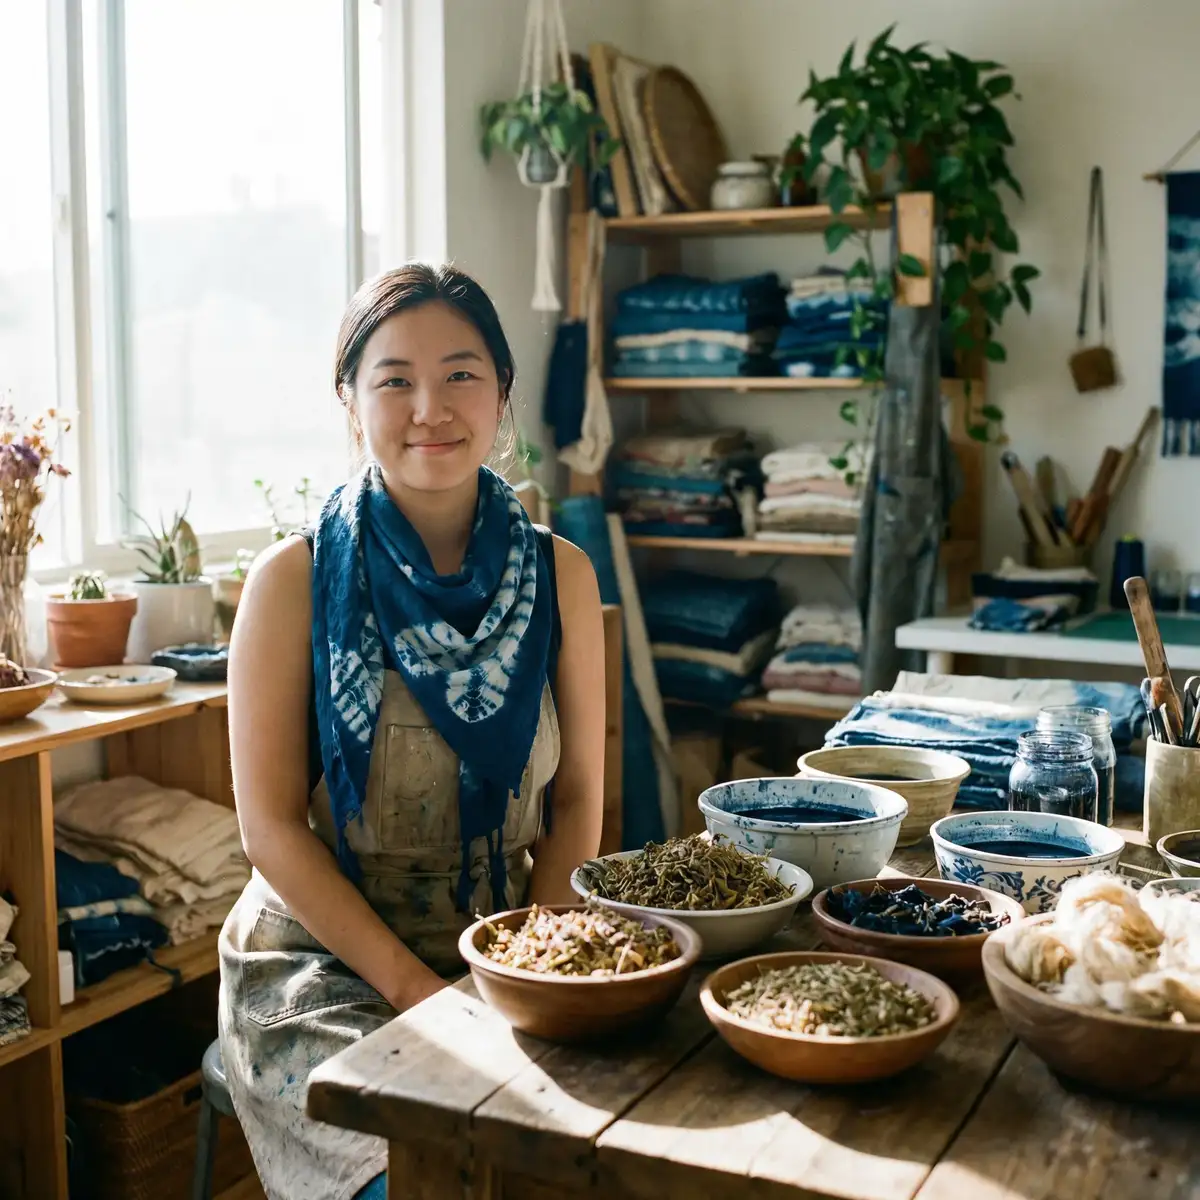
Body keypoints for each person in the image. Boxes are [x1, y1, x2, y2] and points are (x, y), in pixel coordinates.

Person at [218, 264, 605, 1200]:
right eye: (394, 380)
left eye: (460, 374)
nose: (430, 408)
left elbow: (581, 800)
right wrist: (423, 998)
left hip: (509, 945)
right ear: (351, 403)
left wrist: (529, 966)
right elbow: (270, 830)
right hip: (322, 971)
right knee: (431, 1179)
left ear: (502, 394)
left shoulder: (562, 575)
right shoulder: (292, 581)